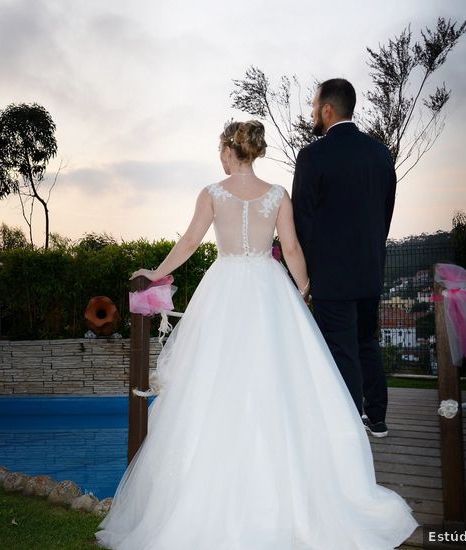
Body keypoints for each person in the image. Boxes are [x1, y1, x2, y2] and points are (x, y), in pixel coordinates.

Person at [94, 120, 417, 549]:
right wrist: (303, 291)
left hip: (224, 288)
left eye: (220, 149)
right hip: (270, 290)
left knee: (214, 385)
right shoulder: (278, 195)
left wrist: (156, 273)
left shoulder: (212, 193)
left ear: (230, 150)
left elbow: (190, 241)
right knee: (279, 383)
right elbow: (295, 250)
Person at [292, 78, 396, 438]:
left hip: (331, 276)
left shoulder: (313, 156)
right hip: (370, 270)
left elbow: (302, 218)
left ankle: (350, 427)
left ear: (327, 109)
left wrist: (306, 272)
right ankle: (377, 418)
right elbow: (386, 212)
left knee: (341, 351)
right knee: (367, 342)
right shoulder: (380, 153)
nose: (311, 112)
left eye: (313, 105)